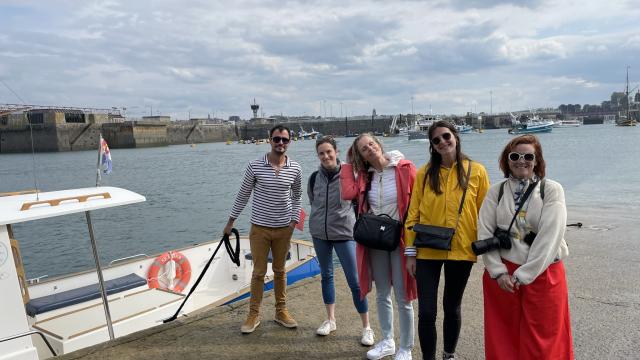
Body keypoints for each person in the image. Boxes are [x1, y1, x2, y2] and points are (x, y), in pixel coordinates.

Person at [477, 134, 574, 359]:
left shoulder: (552, 189)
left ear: (537, 160)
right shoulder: (496, 191)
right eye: (515, 156)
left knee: (545, 337)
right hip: (503, 275)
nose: (522, 161)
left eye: (528, 156)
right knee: (503, 335)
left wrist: (524, 274)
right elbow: (485, 232)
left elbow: (550, 236)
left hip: (543, 272)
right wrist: (498, 272)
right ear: (506, 160)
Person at [404, 120, 490, 360]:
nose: (443, 142)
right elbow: (413, 214)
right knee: (427, 312)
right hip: (427, 250)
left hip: (461, 249)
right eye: (436, 140)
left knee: (452, 307)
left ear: (456, 137)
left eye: (446, 136)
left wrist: (490, 247)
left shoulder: (477, 171)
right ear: (432, 145)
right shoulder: (423, 173)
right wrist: (410, 252)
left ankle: (448, 354)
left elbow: (485, 211)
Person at [341, 133, 417, 360]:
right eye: (364, 149)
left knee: (403, 297)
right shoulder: (365, 176)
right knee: (382, 293)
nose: (370, 149)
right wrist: (347, 163)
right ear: (361, 156)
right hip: (376, 242)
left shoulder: (405, 168)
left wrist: (414, 245)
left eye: (371, 144)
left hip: (400, 241)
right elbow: (347, 194)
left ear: (379, 145)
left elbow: (417, 206)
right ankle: (387, 341)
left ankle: (406, 347)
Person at [223, 124, 302, 334]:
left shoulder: (295, 168)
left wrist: (293, 221)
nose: (281, 143)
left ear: (289, 142)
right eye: (277, 139)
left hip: (284, 229)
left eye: (284, 140)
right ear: (270, 140)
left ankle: (281, 311)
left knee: (280, 271)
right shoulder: (254, 166)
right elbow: (243, 194)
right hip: (259, 229)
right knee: (258, 273)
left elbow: (297, 196)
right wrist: (230, 221)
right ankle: (253, 314)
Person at [307, 136, 374, 346]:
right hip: (319, 234)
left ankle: (367, 327)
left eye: (329, 151)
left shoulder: (350, 175)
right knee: (326, 276)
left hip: (345, 234)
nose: (326, 156)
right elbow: (314, 202)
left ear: (336, 151)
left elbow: (361, 201)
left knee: (355, 281)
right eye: (321, 153)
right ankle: (331, 320)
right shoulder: (313, 178)